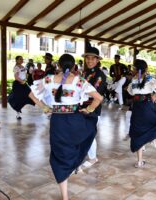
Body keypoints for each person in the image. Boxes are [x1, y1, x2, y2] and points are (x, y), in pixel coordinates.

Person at [30, 54, 103, 200]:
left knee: (59, 154)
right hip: (75, 120)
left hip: (58, 121)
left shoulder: (49, 79)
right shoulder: (79, 81)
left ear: (58, 65)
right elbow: (99, 98)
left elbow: (32, 95)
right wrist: (88, 110)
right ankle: (75, 164)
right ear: (74, 66)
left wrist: (45, 108)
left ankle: (65, 196)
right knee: (77, 144)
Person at [81, 47, 107, 169]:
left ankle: (93, 158)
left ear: (97, 60)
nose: (89, 60)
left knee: (90, 133)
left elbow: (98, 95)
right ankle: (87, 155)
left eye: (92, 58)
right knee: (84, 132)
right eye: (88, 58)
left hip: (93, 108)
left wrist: (90, 109)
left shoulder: (100, 75)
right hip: (82, 106)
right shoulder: (85, 73)